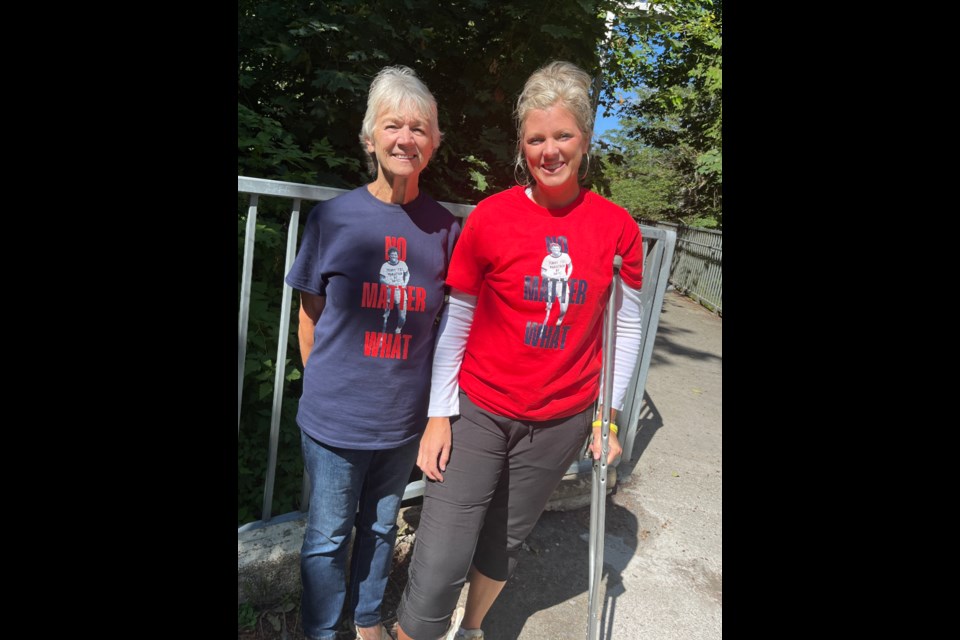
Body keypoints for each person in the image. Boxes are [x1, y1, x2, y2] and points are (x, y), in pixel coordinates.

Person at [395, 61, 645, 640]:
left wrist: (606, 417)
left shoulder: (616, 227)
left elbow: (625, 329)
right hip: (478, 409)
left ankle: (473, 627)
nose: (550, 151)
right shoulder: (491, 218)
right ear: (521, 145)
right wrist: (438, 414)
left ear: (585, 140)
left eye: (563, 136)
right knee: (439, 559)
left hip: (561, 419)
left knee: (503, 542)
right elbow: (456, 321)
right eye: (536, 138)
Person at [285, 65, 460, 640]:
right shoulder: (332, 219)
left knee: (382, 527)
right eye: (393, 125)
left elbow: (448, 323)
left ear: (432, 144)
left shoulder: (443, 229)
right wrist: (328, 390)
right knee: (329, 535)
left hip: (402, 421)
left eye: (418, 128)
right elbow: (309, 320)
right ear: (370, 138)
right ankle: (321, 629)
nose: (405, 138)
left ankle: (365, 623)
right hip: (335, 418)